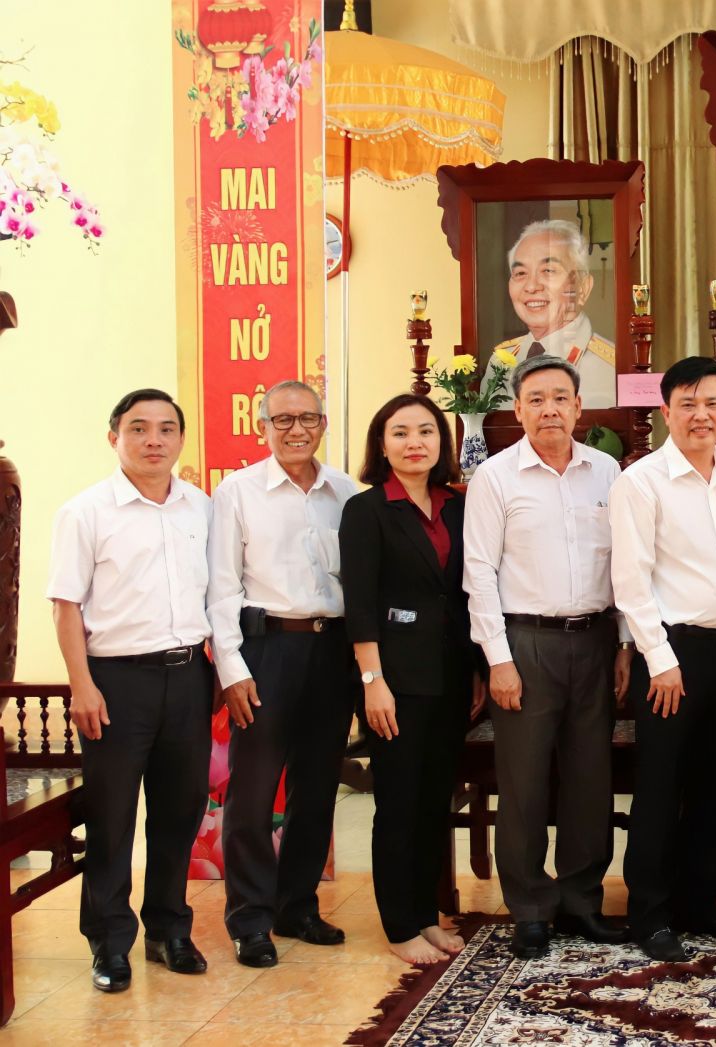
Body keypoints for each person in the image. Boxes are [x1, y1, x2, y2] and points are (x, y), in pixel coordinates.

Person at [463, 357, 631, 959]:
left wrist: (624, 643)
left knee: (591, 778)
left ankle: (583, 900)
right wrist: (498, 660)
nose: (550, 409)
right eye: (536, 400)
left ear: (580, 408)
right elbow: (479, 573)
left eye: (561, 398)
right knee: (526, 782)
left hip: (594, 639)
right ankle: (531, 907)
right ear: (518, 410)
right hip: (524, 643)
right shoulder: (496, 478)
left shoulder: (606, 472)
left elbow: (625, 565)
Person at [47, 389, 213, 992]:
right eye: (138, 428)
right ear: (113, 436)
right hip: (115, 681)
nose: (153, 440)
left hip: (189, 676)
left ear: (179, 440)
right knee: (113, 818)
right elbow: (66, 608)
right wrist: (82, 685)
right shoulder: (86, 512)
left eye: (167, 429)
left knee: (179, 812)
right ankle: (109, 942)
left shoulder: (199, 507)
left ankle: (169, 929)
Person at [610, 356, 716, 962]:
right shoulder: (640, 482)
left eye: (713, 403)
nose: (702, 415)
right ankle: (649, 914)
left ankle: (701, 902)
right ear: (665, 411)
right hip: (671, 656)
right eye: (689, 404)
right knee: (661, 787)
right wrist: (659, 659)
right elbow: (631, 580)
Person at [208, 380, 358, 968]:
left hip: (332, 651)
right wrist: (232, 668)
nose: (297, 429)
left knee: (318, 786)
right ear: (262, 426)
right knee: (251, 790)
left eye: (308, 418)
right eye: (283, 419)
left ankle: (297, 905)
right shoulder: (237, 492)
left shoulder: (344, 491)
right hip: (265, 650)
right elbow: (220, 586)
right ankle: (250, 918)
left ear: (323, 423)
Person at [339, 394, 484, 965]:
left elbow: (468, 594)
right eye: (400, 433)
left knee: (432, 801)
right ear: (382, 444)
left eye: (426, 431)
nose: (414, 442)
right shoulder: (367, 510)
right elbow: (361, 603)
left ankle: (425, 913)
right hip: (393, 682)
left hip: (449, 677)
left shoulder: (457, 504)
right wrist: (372, 680)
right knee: (397, 803)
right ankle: (400, 924)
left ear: (441, 442)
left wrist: (475, 668)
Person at [491, 218, 616, 408]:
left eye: (548, 270)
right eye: (520, 273)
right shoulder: (500, 361)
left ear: (582, 287)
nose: (531, 287)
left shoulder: (611, 367)